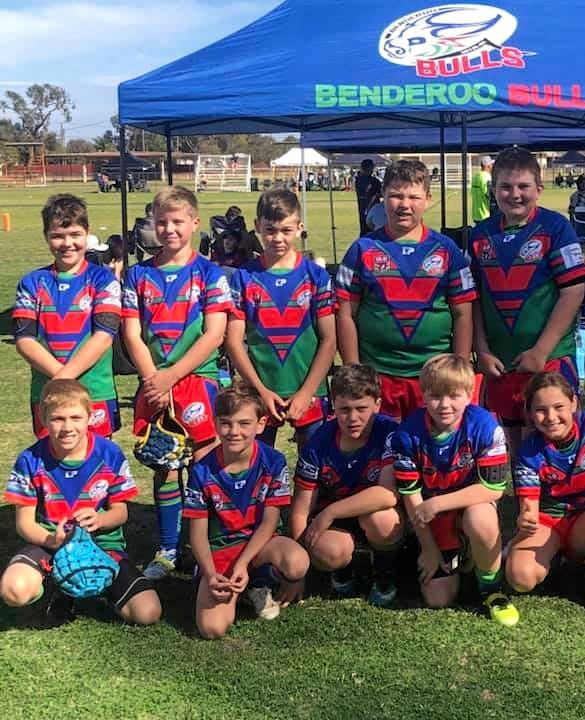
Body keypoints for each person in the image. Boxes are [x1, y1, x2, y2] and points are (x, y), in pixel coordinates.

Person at [122, 185, 235, 580]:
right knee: (165, 465)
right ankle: (169, 547)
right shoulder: (138, 275)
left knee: (205, 465)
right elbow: (131, 333)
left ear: (195, 223)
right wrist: (153, 378)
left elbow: (214, 334)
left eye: (178, 221)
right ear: (153, 224)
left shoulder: (209, 272)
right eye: (162, 222)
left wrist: (172, 374)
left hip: (196, 382)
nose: (169, 229)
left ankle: (208, 544)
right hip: (154, 383)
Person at [0, 379, 161, 625]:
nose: (67, 427)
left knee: (147, 613)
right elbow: (24, 523)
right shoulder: (30, 460)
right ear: (43, 419)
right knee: (14, 590)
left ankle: (101, 584)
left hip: (100, 545)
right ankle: (59, 588)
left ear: (90, 417)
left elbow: (120, 513)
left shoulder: (109, 454)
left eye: (76, 417)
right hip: (51, 544)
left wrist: (100, 519)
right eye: (58, 419)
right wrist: (53, 540)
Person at [336, 159, 476, 421]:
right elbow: (345, 313)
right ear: (383, 197)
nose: (404, 204)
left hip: (434, 375)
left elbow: (463, 314)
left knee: (430, 453)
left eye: (414, 196)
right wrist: (354, 370)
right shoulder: (361, 249)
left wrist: (460, 366)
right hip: (377, 374)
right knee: (380, 455)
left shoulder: (447, 249)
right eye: (396, 196)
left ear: (428, 199)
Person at [470, 147, 585, 456]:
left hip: (549, 357)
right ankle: (525, 498)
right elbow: (474, 300)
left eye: (523, 186)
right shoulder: (479, 236)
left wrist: (541, 350)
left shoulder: (556, 228)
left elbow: (573, 291)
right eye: (505, 187)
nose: (515, 194)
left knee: (556, 434)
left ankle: (565, 500)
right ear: (493, 190)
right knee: (514, 439)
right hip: (501, 361)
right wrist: (481, 349)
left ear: (539, 188)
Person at [391, 354, 519, 626]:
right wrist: (429, 549)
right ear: (423, 395)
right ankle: (452, 554)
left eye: (454, 395)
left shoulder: (484, 425)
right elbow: (412, 495)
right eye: (435, 396)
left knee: (481, 519)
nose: (445, 404)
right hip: (429, 517)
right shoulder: (407, 433)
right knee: (438, 598)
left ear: (470, 394)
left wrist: (438, 503)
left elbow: (494, 489)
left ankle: (491, 589)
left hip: (466, 506)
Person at [506, 371, 585, 618]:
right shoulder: (528, 451)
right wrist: (525, 520)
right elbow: (529, 507)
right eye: (541, 410)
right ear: (531, 413)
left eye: (559, 407)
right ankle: (560, 564)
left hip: (583, 520)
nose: (551, 417)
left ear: (574, 403)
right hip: (548, 523)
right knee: (520, 578)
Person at [184, 384, 309, 638]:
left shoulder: (273, 461)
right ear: (216, 423)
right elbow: (197, 534)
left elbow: (269, 521)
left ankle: (258, 580)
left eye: (244, 423)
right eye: (226, 423)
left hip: (260, 545)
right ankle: (238, 587)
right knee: (212, 629)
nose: (234, 432)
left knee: (297, 562)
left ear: (261, 424)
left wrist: (242, 564)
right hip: (220, 550)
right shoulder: (201, 470)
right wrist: (210, 573)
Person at [226, 189, 337, 449]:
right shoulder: (243, 277)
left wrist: (307, 392)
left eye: (286, 230)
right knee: (255, 467)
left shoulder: (315, 277)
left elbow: (330, 339)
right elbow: (233, 341)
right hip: (259, 393)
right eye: (270, 230)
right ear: (257, 227)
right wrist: (260, 390)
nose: (277, 238)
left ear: (299, 228)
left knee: (314, 473)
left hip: (310, 392)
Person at [290, 364, 404, 607]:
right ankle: (344, 570)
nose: (353, 418)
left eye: (361, 408)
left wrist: (330, 513)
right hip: (336, 525)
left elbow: (387, 494)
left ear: (377, 404)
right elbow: (300, 509)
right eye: (344, 410)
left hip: (369, 512)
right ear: (333, 406)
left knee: (383, 520)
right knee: (326, 550)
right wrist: (297, 569)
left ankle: (385, 572)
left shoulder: (390, 433)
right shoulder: (317, 444)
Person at [14, 194, 123, 440]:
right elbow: (24, 341)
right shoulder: (32, 283)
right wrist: (60, 380)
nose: (67, 243)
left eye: (75, 234)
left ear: (87, 233)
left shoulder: (103, 280)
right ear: (46, 236)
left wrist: (63, 378)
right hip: (47, 392)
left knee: (96, 465)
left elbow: (104, 337)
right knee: (52, 466)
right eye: (57, 236)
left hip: (95, 390)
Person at [354, 159, 382, 233]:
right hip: (371, 208)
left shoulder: (358, 180)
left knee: (365, 229)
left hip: (364, 209)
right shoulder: (374, 181)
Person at [471, 155, 494, 223]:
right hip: (486, 215)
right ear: (488, 166)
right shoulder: (487, 178)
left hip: (476, 215)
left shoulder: (475, 177)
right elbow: (489, 196)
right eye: (491, 165)